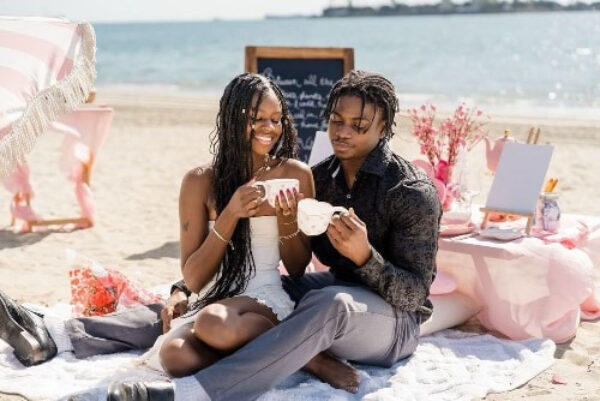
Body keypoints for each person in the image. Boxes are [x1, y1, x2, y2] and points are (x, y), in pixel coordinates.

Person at [0, 73, 355, 389]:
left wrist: (289, 221)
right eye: (257, 118)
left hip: (263, 298)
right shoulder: (199, 181)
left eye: (276, 119)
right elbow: (194, 276)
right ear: (233, 120)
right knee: (174, 356)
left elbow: (295, 268)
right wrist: (230, 213)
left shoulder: (294, 174)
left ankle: (311, 358)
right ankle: (275, 356)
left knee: (215, 325)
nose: (269, 127)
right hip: (213, 296)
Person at [106, 70, 442, 401]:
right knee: (212, 315)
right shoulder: (322, 178)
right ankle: (75, 334)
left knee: (328, 303)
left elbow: (415, 296)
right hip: (340, 287)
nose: (343, 133)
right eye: (337, 121)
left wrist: (366, 257)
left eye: (359, 126)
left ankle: (196, 392)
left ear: (383, 129)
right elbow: (287, 266)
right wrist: (182, 288)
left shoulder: (410, 191)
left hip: (394, 321)